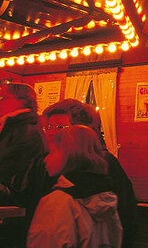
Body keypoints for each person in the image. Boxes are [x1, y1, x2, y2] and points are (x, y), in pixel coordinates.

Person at [43, 99, 137, 248]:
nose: (51, 133)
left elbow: (126, 215)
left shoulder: (105, 163)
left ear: (80, 130)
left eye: (60, 127)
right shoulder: (47, 162)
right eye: (49, 127)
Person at [27, 125, 123, 248]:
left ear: (68, 155)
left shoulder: (57, 203)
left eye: (51, 152)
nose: (45, 159)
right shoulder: (106, 197)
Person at [0, 82, 51, 247]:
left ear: (21, 101)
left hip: (17, 214)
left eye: (4, 97)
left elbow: (13, 177)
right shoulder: (21, 127)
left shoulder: (24, 131)